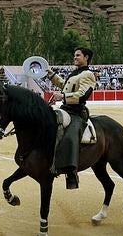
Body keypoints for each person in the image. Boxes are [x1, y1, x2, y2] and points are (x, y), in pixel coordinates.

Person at [46, 47, 96, 189]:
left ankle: (72, 172)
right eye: (74, 55)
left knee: (70, 135)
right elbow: (64, 86)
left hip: (77, 112)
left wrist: (62, 97)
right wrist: (52, 76)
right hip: (66, 109)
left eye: (78, 55)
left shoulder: (88, 74)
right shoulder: (76, 73)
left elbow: (83, 95)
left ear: (86, 57)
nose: (75, 57)